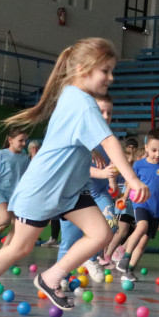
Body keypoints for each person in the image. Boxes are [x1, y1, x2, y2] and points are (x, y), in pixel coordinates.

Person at [0, 38, 149, 317]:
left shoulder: (72, 94)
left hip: (69, 188)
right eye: (105, 70)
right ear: (83, 69)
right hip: (45, 188)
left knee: (101, 234)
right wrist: (132, 178)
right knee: (20, 247)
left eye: (111, 70)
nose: (111, 77)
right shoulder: (83, 104)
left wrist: (90, 149)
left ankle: (51, 277)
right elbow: (109, 142)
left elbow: (74, 136)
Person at [55, 95, 120, 283]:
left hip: (99, 194)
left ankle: (91, 259)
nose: (106, 116)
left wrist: (113, 181)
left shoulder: (109, 138)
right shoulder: (79, 135)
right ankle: (61, 279)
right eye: (101, 111)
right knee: (69, 240)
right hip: (75, 195)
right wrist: (102, 174)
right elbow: (79, 166)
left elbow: (114, 162)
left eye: (109, 112)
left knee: (111, 224)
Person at [116, 128, 159, 283]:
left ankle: (128, 270)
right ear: (147, 147)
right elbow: (131, 180)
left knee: (143, 243)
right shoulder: (139, 164)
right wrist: (124, 195)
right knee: (141, 226)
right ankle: (125, 258)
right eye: (154, 150)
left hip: (157, 209)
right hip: (141, 204)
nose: (157, 154)